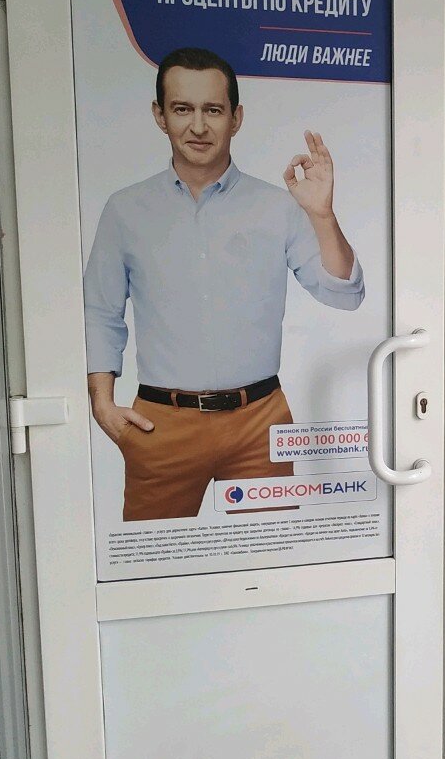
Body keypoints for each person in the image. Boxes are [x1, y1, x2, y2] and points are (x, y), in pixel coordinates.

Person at [84, 47, 364, 521]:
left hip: (260, 423)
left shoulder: (278, 207)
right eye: (182, 109)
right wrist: (102, 405)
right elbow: (100, 310)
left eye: (213, 110)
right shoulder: (125, 210)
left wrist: (322, 215)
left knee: (268, 557)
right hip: (162, 425)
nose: (198, 126)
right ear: (159, 115)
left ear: (236, 118)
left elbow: (344, 294)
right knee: (157, 561)